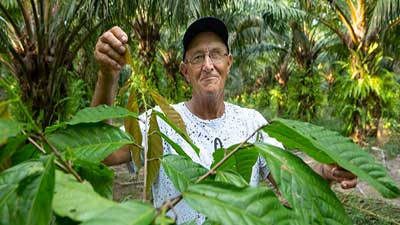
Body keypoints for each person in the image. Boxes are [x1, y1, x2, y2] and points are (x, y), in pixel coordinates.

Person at [92, 17, 357, 224]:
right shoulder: (158, 121)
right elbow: (104, 152)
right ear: (185, 71)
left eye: (216, 54)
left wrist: (326, 171)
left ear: (228, 63)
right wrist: (108, 76)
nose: (208, 65)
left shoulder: (251, 123)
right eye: (197, 57)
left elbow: (290, 181)